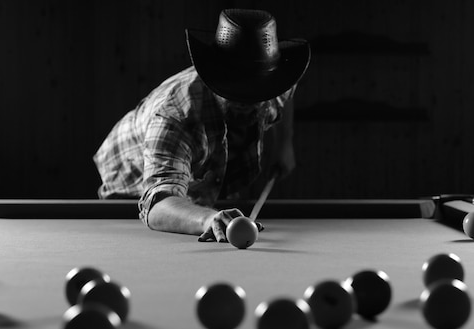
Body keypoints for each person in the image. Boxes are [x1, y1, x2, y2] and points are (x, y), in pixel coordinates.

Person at [93, 8, 311, 243]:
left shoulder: (274, 82)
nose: (248, 99)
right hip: (132, 184)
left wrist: (284, 144)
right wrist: (207, 219)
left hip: (196, 182)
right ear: (216, 77)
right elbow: (157, 205)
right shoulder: (177, 114)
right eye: (237, 90)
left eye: (256, 90)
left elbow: (287, 93)